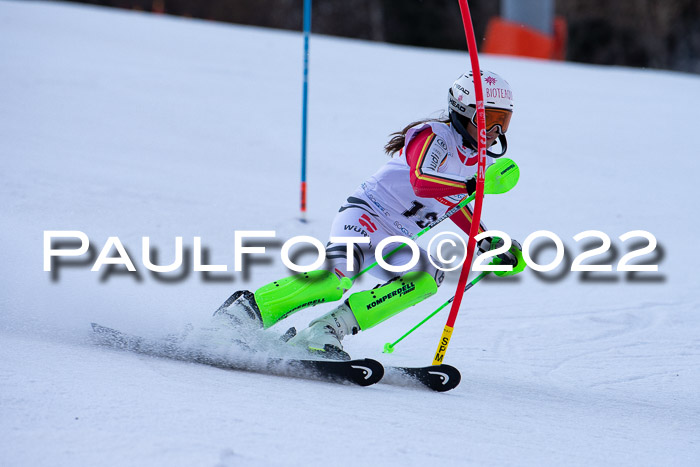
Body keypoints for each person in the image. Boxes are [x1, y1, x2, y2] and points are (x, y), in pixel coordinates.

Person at [215, 70, 526, 359]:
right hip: (366, 216)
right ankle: (244, 313)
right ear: (462, 110)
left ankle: (326, 330)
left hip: (394, 237)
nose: (495, 131)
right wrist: (473, 184)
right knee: (335, 280)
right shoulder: (435, 136)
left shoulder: (477, 159)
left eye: (503, 121)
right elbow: (422, 180)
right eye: (488, 120)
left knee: (426, 278)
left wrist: (484, 238)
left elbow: (454, 200)